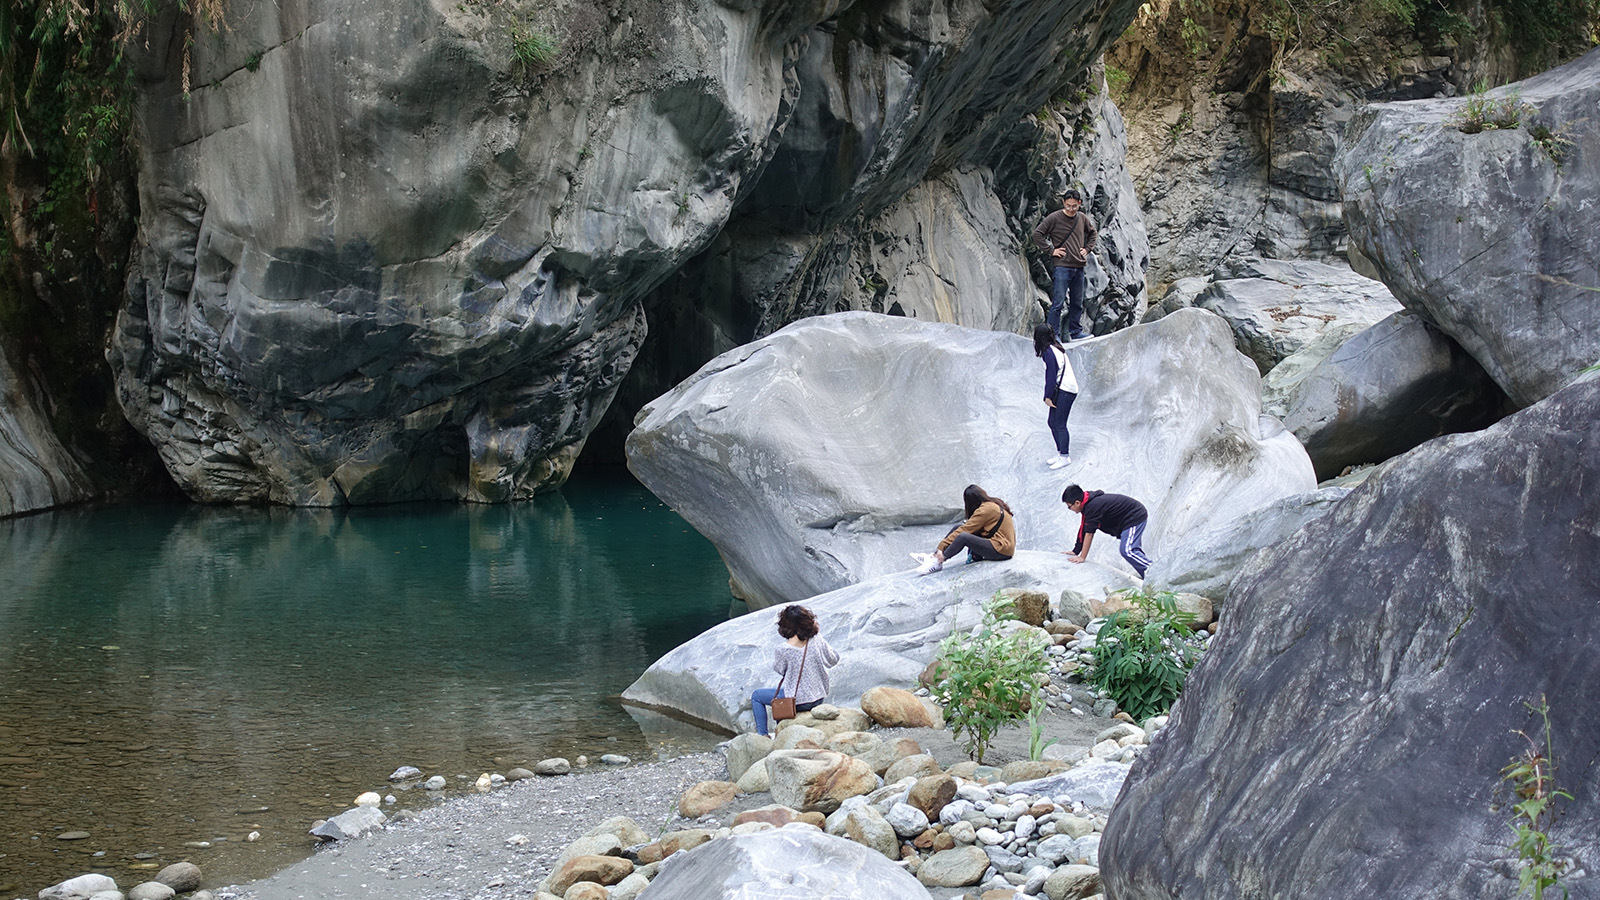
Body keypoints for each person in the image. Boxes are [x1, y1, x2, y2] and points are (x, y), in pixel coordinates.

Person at [751, 605, 840, 737]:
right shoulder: (816, 639)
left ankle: (763, 734)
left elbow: (780, 669)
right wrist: (818, 633)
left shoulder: (783, 649)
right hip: (819, 697)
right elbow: (834, 659)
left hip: (798, 701)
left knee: (757, 696)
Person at [1031, 190, 1099, 342]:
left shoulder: (1082, 218)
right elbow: (1038, 234)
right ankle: (1052, 335)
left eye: (1074, 206)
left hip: (1079, 266)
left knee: (1077, 302)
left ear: (1079, 204)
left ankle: (1075, 333)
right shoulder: (1054, 218)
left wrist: (1087, 249)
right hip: (1062, 266)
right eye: (1068, 206)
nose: (1071, 209)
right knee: (1058, 303)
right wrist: (1051, 250)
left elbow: (1093, 233)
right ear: (1063, 203)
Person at [912, 484, 1015, 574]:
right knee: (958, 527)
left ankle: (939, 561)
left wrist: (941, 546)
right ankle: (933, 557)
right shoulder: (991, 504)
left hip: (1002, 550)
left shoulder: (985, 510)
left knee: (963, 537)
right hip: (1000, 546)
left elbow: (965, 530)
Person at [1061, 484, 1153, 578]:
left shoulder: (1093, 506)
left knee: (1128, 550)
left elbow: (1089, 534)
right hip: (1127, 521)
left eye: (1069, 506)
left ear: (1077, 503)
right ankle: (1149, 577)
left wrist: (1082, 557)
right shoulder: (1087, 503)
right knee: (1132, 551)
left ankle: (1157, 573)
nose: (1070, 509)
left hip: (1133, 517)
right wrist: (1076, 551)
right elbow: (1084, 529)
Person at [1034, 323, 1078, 470]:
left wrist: (1047, 396)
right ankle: (1060, 453)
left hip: (1066, 390)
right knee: (1052, 422)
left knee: (1059, 424)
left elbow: (1051, 377)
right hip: (1063, 389)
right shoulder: (1055, 347)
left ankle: (1065, 457)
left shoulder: (1049, 351)